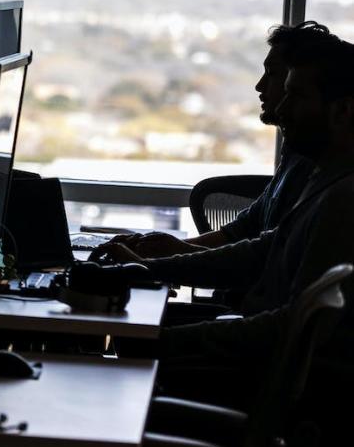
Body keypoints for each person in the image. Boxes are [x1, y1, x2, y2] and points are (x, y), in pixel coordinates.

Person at [117, 37, 354, 403]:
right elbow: (262, 249)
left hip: (260, 381)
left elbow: (289, 326)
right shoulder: (323, 177)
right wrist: (153, 268)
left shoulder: (343, 200)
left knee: (121, 361)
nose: (284, 109)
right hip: (252, 354)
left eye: (298, 97)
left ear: (343, 112)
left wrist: (166, 338)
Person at [97, 21, 338, 260]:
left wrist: (160, 259)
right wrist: (159, 251)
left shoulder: (322, 172)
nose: (259, 85)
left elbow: (260, 263)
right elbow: (242, 231)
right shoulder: (296, 152)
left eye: (273, 74)